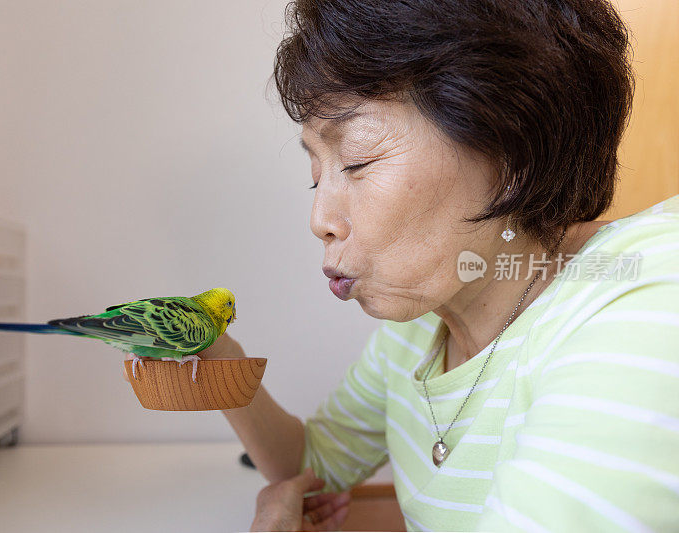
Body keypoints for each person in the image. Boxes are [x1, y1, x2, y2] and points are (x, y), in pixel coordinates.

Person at [201, 0, 679, 530]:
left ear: (512, 152)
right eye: (318, 175)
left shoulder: (642, 298)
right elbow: (315, 466)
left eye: (358, 160)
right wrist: (219, 357)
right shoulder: (419, 328)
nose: (320, 219)